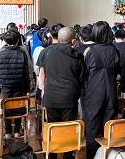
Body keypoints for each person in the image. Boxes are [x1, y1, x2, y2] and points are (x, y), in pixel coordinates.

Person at [41, 27, 86, 159]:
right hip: (69, 96)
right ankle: (67, 155)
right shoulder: (77, 56)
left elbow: (45, 72)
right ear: (73, 41)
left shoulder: (47, 52)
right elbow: (81, 77)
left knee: (53, 126)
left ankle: (52, 154)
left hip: (51, 95)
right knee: (68, 127)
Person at [83, 21, 121, 159]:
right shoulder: (115, 50)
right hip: (111, 91)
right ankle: (107, 155)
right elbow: (118, 70)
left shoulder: (89, 51)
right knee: (109, 126)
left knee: (92, 126)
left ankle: (93, 156)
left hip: (94, 92)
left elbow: (85, 74)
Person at [0, 30, 30, 139]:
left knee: (7, 107)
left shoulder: (0, 54)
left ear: (5, 41)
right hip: (19, 84)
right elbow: (26, 73)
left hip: (5, 85)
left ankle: (8, 131)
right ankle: (17, 131)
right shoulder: (22, 53)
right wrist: (27, 87)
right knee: (18, 106)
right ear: (18, 40)